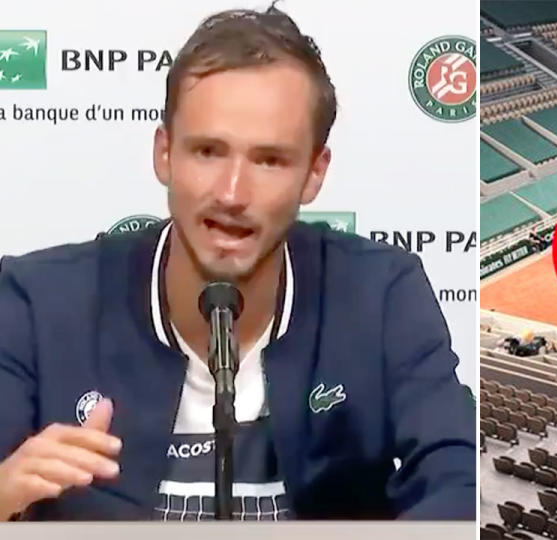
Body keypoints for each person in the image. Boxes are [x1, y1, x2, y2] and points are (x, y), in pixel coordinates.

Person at [0, 6, 474, 521]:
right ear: (164, 153)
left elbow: (457, 473)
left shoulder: (382, 293)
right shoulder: (35, 300)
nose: (231, 193)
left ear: (315, 173)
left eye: (269, 160)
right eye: (207, 151)